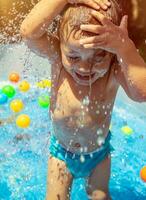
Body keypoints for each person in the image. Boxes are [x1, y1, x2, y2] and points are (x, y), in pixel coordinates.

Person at [20, 0, 146, 199]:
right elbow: (28, 32)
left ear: (112, 53)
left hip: (98, 156)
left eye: (98, 57)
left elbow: (141, 94)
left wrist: (126, 49)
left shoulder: (113, 70)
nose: (84, 68)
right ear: (60, 44)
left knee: (101, 196)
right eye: (74, 57)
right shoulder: (57, 59)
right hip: (61, 154)